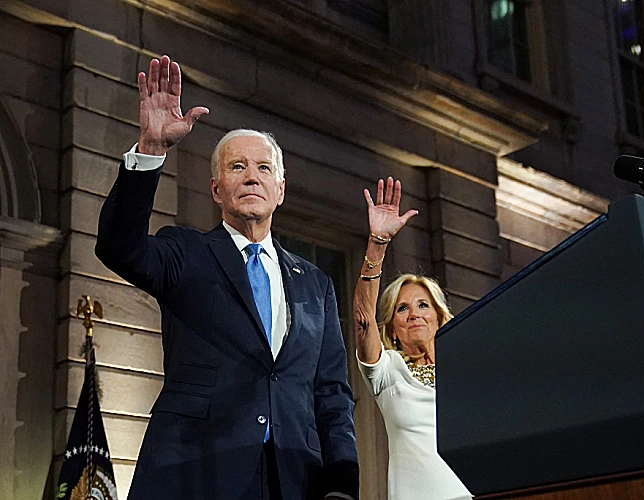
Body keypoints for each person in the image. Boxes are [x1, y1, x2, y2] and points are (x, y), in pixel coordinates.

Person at [95, 55, 358, 500]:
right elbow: (120, 248)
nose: (251, 177)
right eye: (237, 167)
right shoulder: (187, 252)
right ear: (217, 189)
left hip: (295, 478)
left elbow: (331, 393)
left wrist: (342, 484)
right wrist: (151, 148)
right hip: (197, 472)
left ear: (280, 190)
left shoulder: (315, 283)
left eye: (264, 169)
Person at [352, 178, 472, 500]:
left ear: (439, 316)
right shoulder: (388, 370)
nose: (414, 314)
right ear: (392, 328)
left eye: (423, 305)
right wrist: (377, 243)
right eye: (402, 309)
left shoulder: (466, 373)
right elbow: (364, 321)